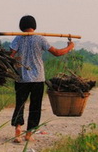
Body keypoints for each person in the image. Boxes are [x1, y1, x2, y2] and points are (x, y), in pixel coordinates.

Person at [9, 15, 75, 143]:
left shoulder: (17, 38)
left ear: (21, 26)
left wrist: (16, 59)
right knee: (35, 106)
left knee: (20, 104)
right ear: (34, 26)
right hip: (37, 78)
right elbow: (57, 52)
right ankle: (28, 134)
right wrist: (70, 47)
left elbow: (10, 56)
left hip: (21, 78)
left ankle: (18, 129)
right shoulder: (40, 39)